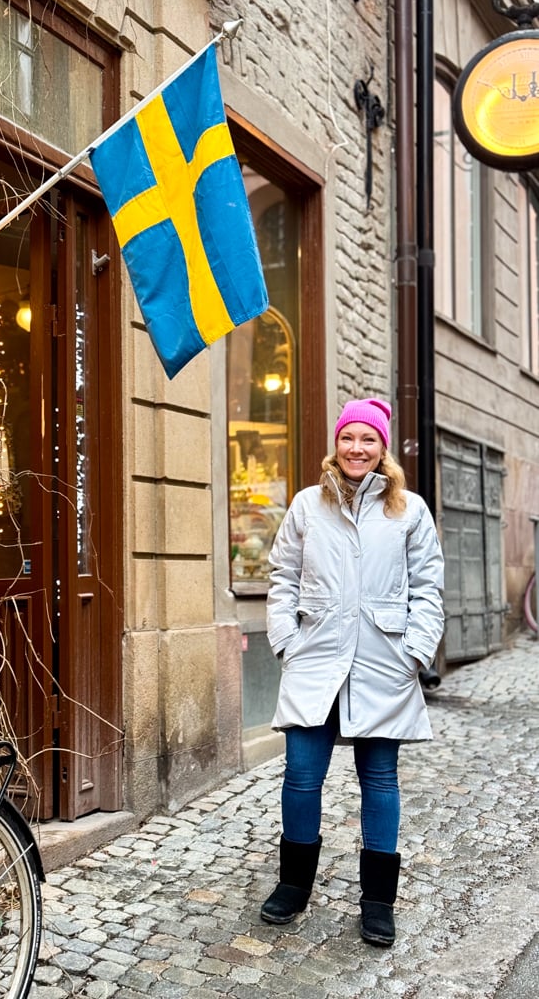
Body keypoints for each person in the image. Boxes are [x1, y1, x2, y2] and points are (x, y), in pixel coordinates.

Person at [260, 397, 444, 946]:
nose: (356, 448)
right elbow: (282, 576)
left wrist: (415, 653)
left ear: (382, 448)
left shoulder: (409, 510)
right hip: (315, 657)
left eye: (368, 439)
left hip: (384, 661)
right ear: (335, 444)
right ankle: (293, 885)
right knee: (300, 775)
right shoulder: (307, 505)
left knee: (380, 779)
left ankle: (378, 902)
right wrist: (286, 642)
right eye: (348, 438)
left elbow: (428, 588)